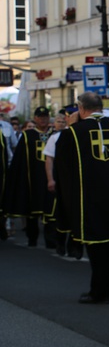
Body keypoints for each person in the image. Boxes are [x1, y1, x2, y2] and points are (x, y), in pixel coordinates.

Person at [54, 92, 109, 304]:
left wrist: (69, 127)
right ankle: (102, 289)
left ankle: (100, 292)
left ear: (81, 108)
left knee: (96, 248)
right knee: (108, 245)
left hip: (88, 200)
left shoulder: (74, 132)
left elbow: (61, 165)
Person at [5, 106, 55, 248]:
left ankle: (51, 241)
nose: (43, 119)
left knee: (50, 211)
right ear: (35, 118)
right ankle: (32, 238)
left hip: (50, 176)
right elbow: (19, 160)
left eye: (45, 117)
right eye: (40, 117)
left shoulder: (54, 134)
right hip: (32, 178)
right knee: (32, 210)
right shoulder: (28, 136)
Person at [43, 104, 82, 259]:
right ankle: (60, 243)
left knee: (78, 213)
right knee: (62, 212)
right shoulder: (56, 136)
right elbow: (49, 159)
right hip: (62, 179)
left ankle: (76, 246)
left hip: (78, 180)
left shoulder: (82, 133)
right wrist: (50, 179)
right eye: (70, 115)